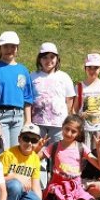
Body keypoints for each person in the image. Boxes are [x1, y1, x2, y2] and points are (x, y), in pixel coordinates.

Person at [41, 115, 100, 200]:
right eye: (67, 129)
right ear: (62, 127)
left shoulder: (81, 147)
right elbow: (35, 159)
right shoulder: (54, 146)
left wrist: (99, 149)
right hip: (57, 188)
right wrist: (36, 148)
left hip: (75, 188)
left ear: (78, 133)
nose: (69, 133)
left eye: (73, 131)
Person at [31, 42, 75, 188]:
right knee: (39, 155)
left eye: (52, 57)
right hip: (38, 123)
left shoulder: (64, 77)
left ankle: (57, 186)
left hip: (58, 124)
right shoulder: (33, 76)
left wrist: (66, 118)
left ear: (57, 59)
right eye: (45, 57)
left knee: (58, 155)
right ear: (39, 59)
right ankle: (42, 187)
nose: (48, 61)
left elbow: (69, 98)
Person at [0, 31, 35, 154]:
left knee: (16, 153)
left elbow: (27, 98)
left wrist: (27, 121)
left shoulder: (23, 70)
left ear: (17, 48)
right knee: (2, 153)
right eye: (5, 46)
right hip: (0, 115)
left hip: (18, 117)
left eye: (13, 46)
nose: (9, 49)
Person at [0, 123, 49, 200]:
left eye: (34, 140)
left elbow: (36, 186)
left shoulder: (35, 158)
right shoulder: (8, 154)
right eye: (26, 138)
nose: (29, 143)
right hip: (3, 193)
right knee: (15, 185)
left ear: (38, 142)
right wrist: (17, 177)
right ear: (19, 139)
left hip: (21, 194)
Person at [73, 53, 100, 149]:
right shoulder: (79, 87)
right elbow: (75, 108)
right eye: (89, 67)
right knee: (84, 154)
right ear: (85, 68)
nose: (92, 71)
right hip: (84, 128)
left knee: (99, 153)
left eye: (95, 68)